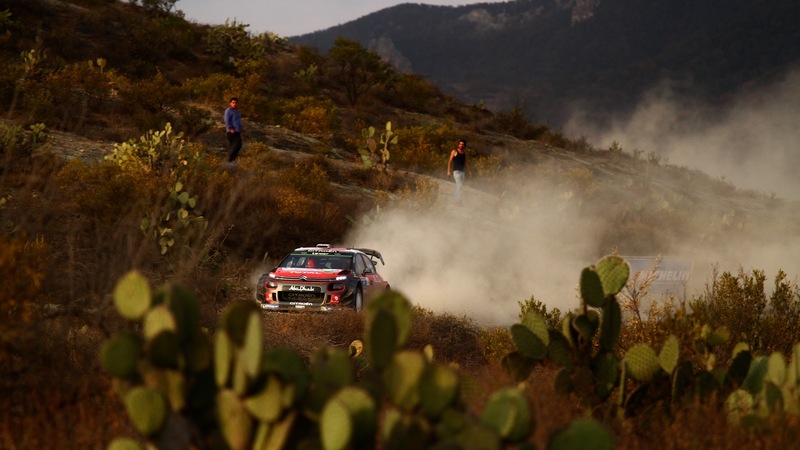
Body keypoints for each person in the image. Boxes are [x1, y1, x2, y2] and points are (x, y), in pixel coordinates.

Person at [447, 139, 470, 204]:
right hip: (456, 171)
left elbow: (465, 163)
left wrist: (469, 171)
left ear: (464, 145)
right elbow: (450, 161)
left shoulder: (464, 153)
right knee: (459, 185)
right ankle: (458, 201)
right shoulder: (454, 151)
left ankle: (456, 199)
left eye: (462, 144)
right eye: (460, 144)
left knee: (459, 186)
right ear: (458, 144)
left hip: (462, 172)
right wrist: (448, 171)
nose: (461, 145)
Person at [224, 97, 243, 164]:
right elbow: (227, 120)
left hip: (237, 131)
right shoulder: (228, 111)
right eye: (233, 103)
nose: (234, 104)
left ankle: (233, 159)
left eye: (236, 103)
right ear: (230, 103)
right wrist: (230, 128)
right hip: (231, 131)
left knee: (239, 145)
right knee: (234, 145)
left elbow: (238, 121)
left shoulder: (237, 111)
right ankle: (229, 160)